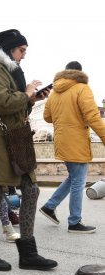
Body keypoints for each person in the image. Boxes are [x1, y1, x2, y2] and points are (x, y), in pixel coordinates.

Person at [0, 29, 57, 271]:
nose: (23, 55)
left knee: (30, 189)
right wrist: (27, 93)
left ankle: (28, 253)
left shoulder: (10, 71)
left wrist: (31, 99)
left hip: (12, 135)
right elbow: (1, 103)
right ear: (10, 49)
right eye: (21, 50)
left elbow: (14, 106)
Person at [39, 61, 105, 233]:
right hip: (76, 142)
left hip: (62, 141)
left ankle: (49, 206)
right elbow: (93, 117)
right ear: (79, 73)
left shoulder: (54, 92)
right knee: (78, 181)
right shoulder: (82, 88)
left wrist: (64, 118)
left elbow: (47, 117)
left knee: (73, 178)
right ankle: (74, 222)